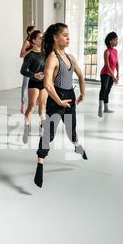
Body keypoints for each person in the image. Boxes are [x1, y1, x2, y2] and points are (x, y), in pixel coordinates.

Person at [34, 23, 87, 188]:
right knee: (48, 134)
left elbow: (80, 75)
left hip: (69, 97)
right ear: (55, 37)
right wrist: (59, 102)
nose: (68, 37)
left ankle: (78, 146)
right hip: (57, 99)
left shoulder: (71, 57)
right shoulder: (52, 58)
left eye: (68, 34)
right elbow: (48, 85)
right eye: (65, 35)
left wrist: (83, 93)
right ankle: (40, 166)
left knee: (72, 129)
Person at [20, 30, 47, 143]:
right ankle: (26, 129)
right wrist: (34, 75)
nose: (42, 39)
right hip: (34, 82)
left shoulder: (45, 53)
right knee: (31, 106)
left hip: (44, 82)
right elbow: (22, 70)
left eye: (42, 38)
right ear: (34, 41)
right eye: (40, 38)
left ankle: (42, 127)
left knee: (42, 106)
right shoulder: (30, 55)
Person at [98, 32, 119, 117]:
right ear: (110, 41)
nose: (117, 41)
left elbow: (117, 63)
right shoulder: (107, 52)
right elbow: (107, 65)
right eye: (115, 40)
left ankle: (106, 108)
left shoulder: (115, 51)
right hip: (105, 73)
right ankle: (100, 107)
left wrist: (117, 74)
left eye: (117, 40)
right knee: (104, 88)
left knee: (108, 90)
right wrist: (113, 76)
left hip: (112, 74)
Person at [19, 25, 36, 114]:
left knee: (34, 85)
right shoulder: (27, 42)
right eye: (33, 30)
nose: (34, 31)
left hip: (35, 66)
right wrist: (30, 50)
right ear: (29, 32)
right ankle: (22, 103)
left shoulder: (36, 42)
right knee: (25, 85)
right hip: (27, 66)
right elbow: (21, 55)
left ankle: (33, 104)